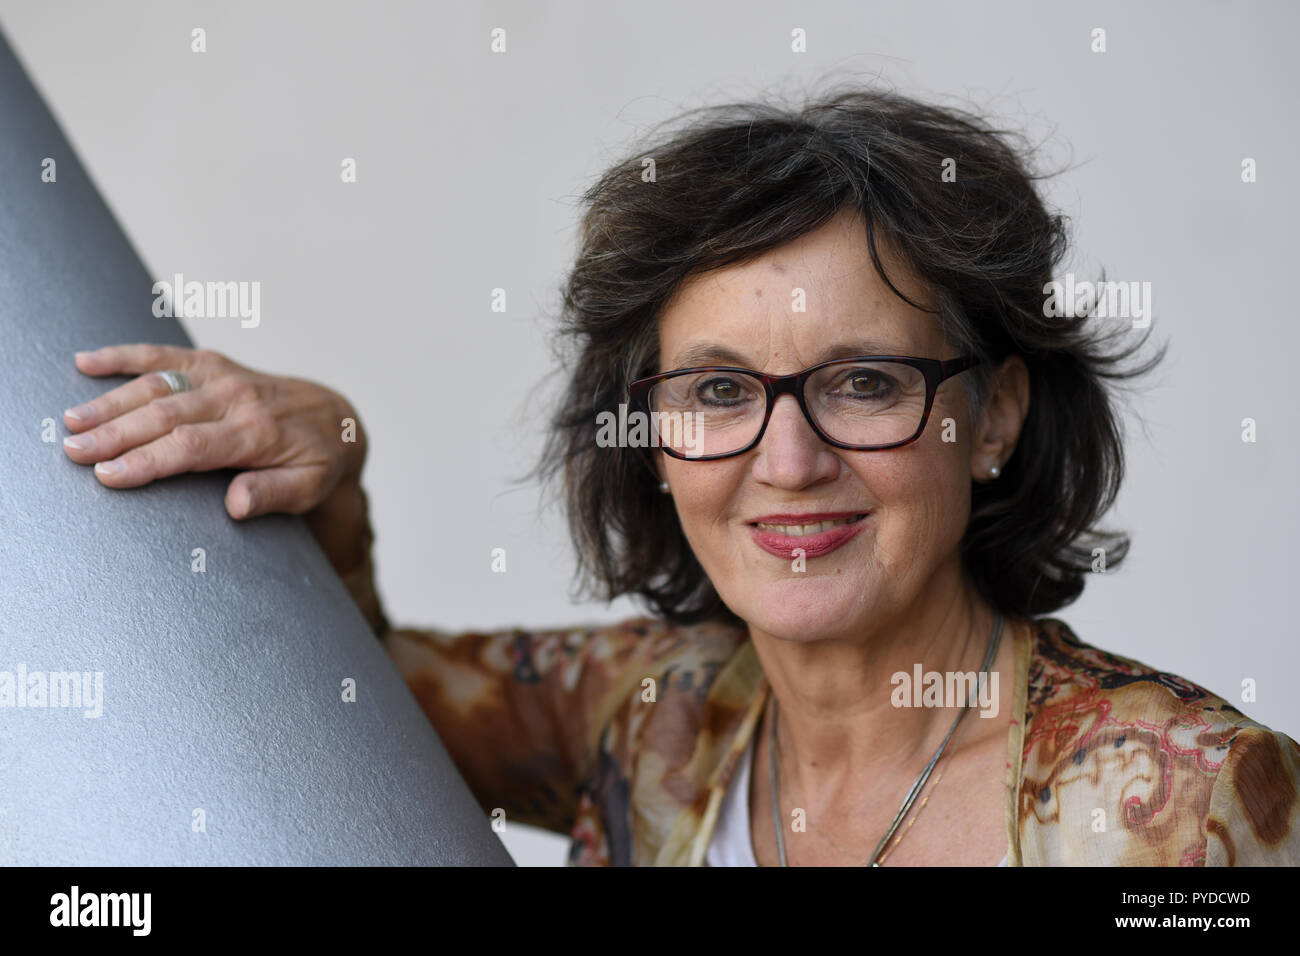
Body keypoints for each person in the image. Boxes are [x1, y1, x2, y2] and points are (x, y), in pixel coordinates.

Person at [62, 87, 1300, 866]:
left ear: (994, 416)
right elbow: (325, 714)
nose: (789, 457)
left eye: (864, 380)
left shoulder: (1183, 806)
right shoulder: (641, 705)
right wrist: (336, 470)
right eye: (716, 391)